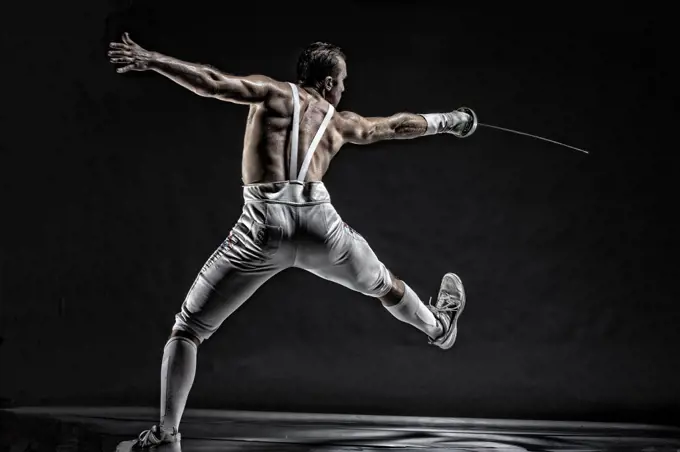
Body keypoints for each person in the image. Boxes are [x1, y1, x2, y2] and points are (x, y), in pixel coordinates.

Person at [108, 32, 476, 448]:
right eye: (342, 81)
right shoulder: (339, 123)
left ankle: (166, 436)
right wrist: (453, 120)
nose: (343, 89)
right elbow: (394, 126)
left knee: (188, 330)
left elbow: (211, 82)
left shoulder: (270, 94)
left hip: (263, 225)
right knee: (385, 287)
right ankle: (440, 328)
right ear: (325, 83)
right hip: (320, 224)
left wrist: (152, 58)